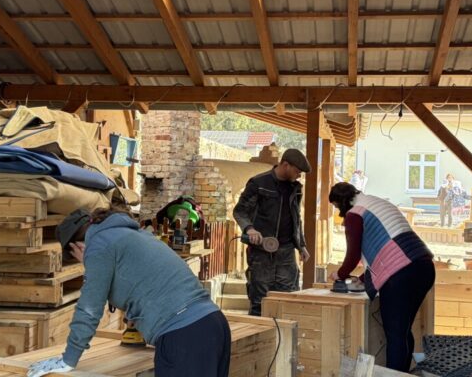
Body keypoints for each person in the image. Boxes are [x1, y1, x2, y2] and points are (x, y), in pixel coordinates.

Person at [44, 208, 230, 376]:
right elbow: (150, 283)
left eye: (78, 259)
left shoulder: (97, 246)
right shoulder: (133, 234)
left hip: (184, 336)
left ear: (77, 247)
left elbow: (89, 309)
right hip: (213, 324)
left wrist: (68, 360)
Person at [328, 182, 435, 372]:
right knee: (403, 331)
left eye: (336, 207)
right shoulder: (377, 203)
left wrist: (340, 274)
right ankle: (403, 374)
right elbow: (386, 249)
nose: (339, 213)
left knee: (395, 335)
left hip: (401, 275)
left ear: (340, 202)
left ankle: (394, 375)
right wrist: (362, 279)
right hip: (423, 266)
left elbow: (353, 256)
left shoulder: (355, 215)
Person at [233, 148, 312, 316]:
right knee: (259, 301)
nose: (299, 175)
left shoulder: (295, 188)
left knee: (289, 299)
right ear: (286, 165)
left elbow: (296, 218)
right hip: (261, 251)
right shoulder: (259, 183)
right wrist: (249, 229)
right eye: (297, 171)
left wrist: (301, 245)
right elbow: (240, 211)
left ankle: (284, 333)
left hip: (286, 252)